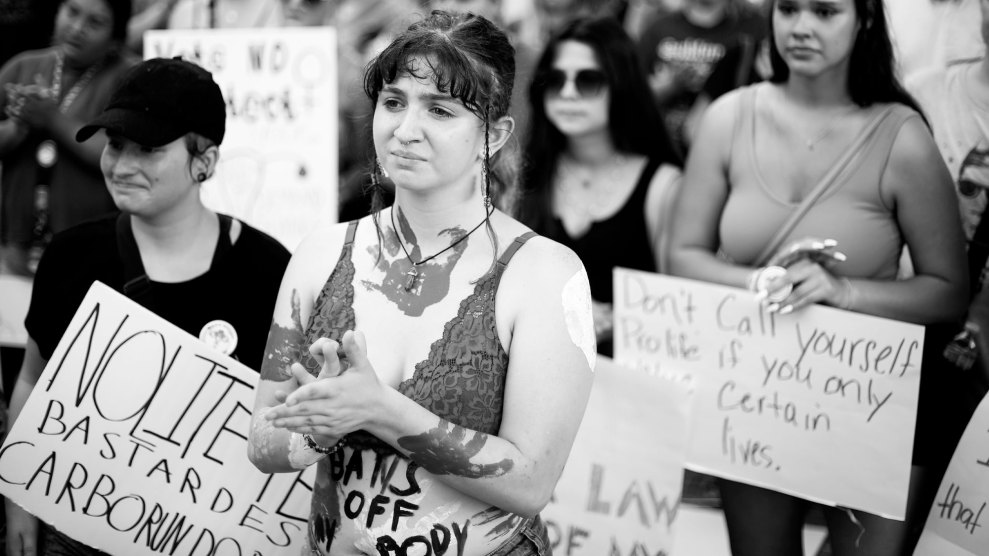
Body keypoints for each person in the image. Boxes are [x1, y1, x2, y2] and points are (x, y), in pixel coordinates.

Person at [248, 10, 595, 553]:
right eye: (393, 102)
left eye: (439, 110)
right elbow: (263, 442)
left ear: (494, 135)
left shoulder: (545, 273)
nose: (406, 130)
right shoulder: (321, 254)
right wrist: (320, 428)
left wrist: (378, 409)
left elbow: (531, 484)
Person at [668, 0, 968, 553]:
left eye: (825, 12)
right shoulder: (729, 117)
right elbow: (682, 255)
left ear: (866, 20)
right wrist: (760, 282)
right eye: (788, 9)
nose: (801, 27)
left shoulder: (902, 136)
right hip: (753, 391)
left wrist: (844, 292)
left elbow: (949, 292)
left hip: (866, 400)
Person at [4, 57, 291, 556]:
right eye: (115, 145)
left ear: (204, 161)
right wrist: (17, 501)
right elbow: (32, 378)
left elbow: (286, 419)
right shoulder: (72, 256)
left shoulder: (268, 269)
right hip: (71, 531)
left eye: (149, 149)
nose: (122, 166)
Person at [517, 16, 682, 355]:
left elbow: (679, 306)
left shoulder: (663, 185)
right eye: (555, 80)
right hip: (535, 368)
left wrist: (618, 320)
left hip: (628, 372)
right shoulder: (522, 175)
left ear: (621, 85)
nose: (567, 93)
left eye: (588, 80)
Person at [0, 0, 136, 277]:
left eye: (95, 22)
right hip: (13, 248)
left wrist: (53, 119)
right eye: (72, 12)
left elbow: (125, 157)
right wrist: (18, 126)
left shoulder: (129, 76)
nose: (77, 28)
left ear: (115, 37)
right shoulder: (23, 66)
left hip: (91, 251)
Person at [636, 0, 766, 152]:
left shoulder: (750, 31)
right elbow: (629, 97)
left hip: (722, 145)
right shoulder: (658, 28)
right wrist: (668, 87)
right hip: (661, 145)